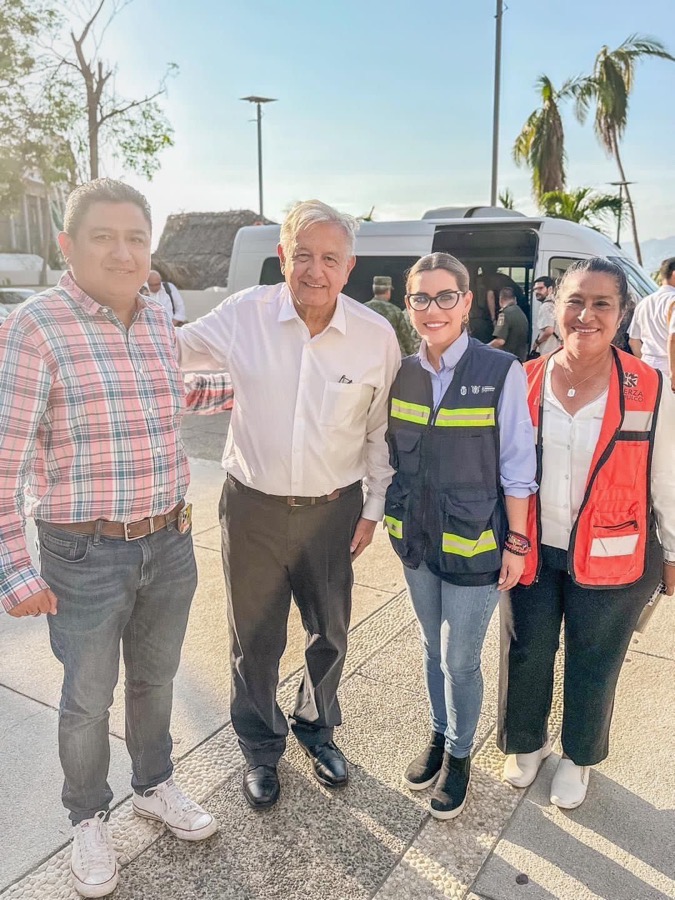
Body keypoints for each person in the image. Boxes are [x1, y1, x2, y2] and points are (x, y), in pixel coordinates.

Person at [0, 179, 231, 898]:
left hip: (168, 541)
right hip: (83, 553)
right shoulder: (36, 327)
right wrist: (14, 570)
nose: (122, 251)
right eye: (103, 236)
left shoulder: (160, 316)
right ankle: (86, 815)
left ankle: (154, 784)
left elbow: (173, 392)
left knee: (155, 680)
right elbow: (4, 460)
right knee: (87, 696)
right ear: (66, 246)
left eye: (135, 237)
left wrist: (263, 380)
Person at [175, 200, 401, 811]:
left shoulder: (376, 337)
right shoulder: (247, 313)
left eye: (330, 258)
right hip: (251, 506)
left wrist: (372, 508)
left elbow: (381, 432)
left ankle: (316, 728)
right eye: (303, 254)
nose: (315, 270)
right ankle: (260, 747)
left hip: (332, 510)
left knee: (328, 631)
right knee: (254, 636)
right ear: (283, 258)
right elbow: (174, 350)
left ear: (348, 267)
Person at [498, 258, 675, 810]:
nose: (586, 315)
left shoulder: (649, 387)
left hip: (617, 553)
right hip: (533, 547)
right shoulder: (524, 380)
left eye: (602, 304)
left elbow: (667, 474)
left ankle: (579, 756)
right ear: (556, 306)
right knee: (527, 649)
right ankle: (525, 743)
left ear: (622, 314)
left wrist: (672, 550)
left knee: (594, 657)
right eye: (575, 301)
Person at [385, 252, 537, 820]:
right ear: (409, 305)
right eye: (421, 298)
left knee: (461, 658)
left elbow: (519, 466)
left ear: (467, 303)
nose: (433, 309)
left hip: (476, 544)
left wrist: (517, 544)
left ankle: (460, 755)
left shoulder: (501, 372)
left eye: (445, 296)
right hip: (418, 542)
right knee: (430, 647)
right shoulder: (400, 372)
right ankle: (439, 730)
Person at [628, 257, 675, 381]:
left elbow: (633, 342)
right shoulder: (673, 301)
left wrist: (645, 363)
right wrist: (673, 373)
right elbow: (673, 338)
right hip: (670, 370)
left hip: (647, 368)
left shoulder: (644, 302)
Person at [365, 275, 417, 356]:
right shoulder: (395, 311)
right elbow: (406, 339)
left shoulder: (363, 310)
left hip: (369, 355)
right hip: (393, 356)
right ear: (388, 291)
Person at [490, 287, 530, 362]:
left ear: (501, 300)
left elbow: (500, 341)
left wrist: (485, 347)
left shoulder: (504, 314)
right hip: (521, 358)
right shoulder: (521, 312)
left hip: (507, 359)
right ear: (515, 299)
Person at [530, 276, 561, 357]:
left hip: (549, 350)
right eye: (535, 289)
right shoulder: (558, 304)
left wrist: (536, 343)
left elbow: (548, 331)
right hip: (558, 349)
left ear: (550, 289)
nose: (537, 292)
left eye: (540, 288)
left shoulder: (546, 306)